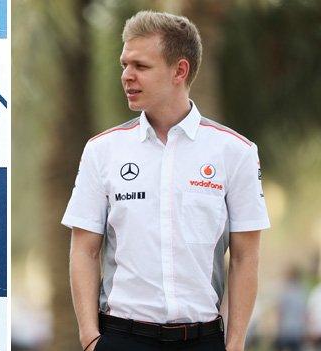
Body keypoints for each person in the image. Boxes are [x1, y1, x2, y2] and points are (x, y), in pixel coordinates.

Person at [62, 11, 270, 351]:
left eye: (140, 66)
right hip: (121, 338)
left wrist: (234, 346)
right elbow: (84, 248)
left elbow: (246, 256)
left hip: (203, 339)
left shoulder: (236, 152)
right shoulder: (102, 150)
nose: (127, 76)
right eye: (124, 65)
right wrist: (90, 338)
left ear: (180, 71)